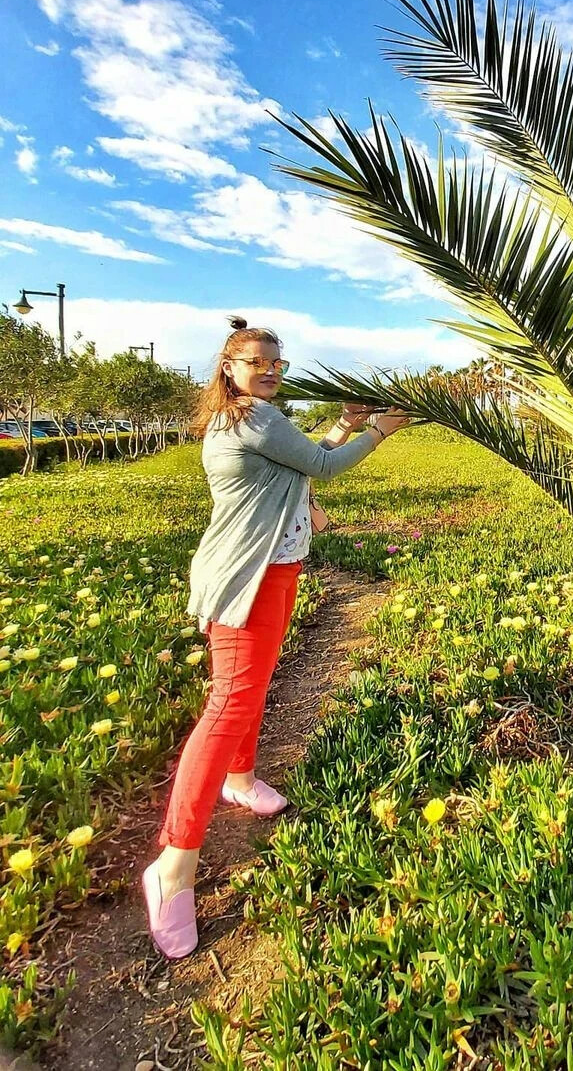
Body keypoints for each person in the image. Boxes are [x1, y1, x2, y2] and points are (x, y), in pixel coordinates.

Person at [142, 317, 410, 959]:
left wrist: (344, 422)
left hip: (274, 569)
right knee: (229, 704)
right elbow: (324, 464)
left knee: (251, 687)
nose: (268, 370)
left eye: (275, 362)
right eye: (255, 362)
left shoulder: (256, 419)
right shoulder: (253, 417)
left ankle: (239, 779)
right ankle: (172, 867)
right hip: (247, 580)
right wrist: (377, 430)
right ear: (229, 369)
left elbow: (300, 459)